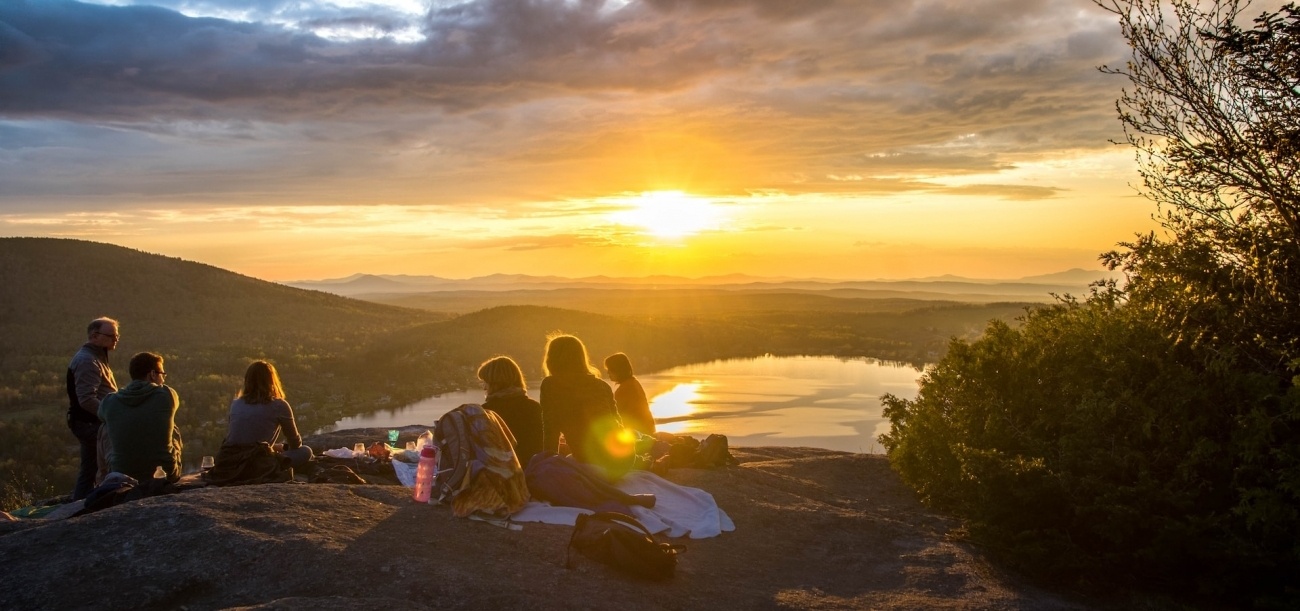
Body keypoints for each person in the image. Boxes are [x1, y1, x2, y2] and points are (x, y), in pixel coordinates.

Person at [539, 334, 634, 478]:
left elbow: (551, 430)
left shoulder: (551, 385)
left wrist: (548, 467)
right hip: (625, 459)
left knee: (565, 458)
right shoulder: (602, 385)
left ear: (551, 359)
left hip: (595, 464)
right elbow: (618, 424)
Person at [98, 352, 183, 483]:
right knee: (172, 425)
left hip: (122, 475)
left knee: (104, 427)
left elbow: (100, 415)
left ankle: (104, 480)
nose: (164, 379)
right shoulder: (167, 395)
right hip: (165, 474)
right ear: (152, 375)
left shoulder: (110, 401)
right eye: (162, 374)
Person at [66, 317, 119, 500]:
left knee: (90, 468)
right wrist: (110, 416)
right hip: (91, 423)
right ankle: (88, 505)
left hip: (90, 422)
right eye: (111, 335)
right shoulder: (87, 361)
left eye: (117, 335)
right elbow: (87, 399)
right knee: (101, 466)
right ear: (95, 336)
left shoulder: (96, 357)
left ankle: (82, 503)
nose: (116, 339)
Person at [223, 360, 313, 469]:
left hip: (230, 462)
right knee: (306, 451)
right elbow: (295, 444)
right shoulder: (279, 405)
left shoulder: (236, 403)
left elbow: (244, 439)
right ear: (272, 380)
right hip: (257, 465)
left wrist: (275, 447)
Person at [478, 356, 543, 468]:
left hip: (501, 477)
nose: (484, 388)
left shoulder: (486, 413)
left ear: (494, 383)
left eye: (485, 383)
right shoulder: (534, 408)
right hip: (535, 473)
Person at [603, 352, 656, 435]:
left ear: (617, 370)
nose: (608, 373)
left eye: (610, 369)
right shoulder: (633, 383)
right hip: (647, 430)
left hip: (638, 434)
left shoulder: (625, 389)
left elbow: (614, 414)